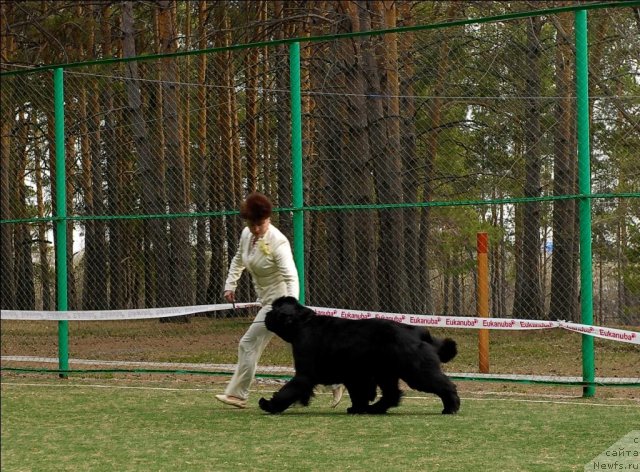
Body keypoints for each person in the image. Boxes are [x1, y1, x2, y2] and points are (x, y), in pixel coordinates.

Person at [215, 192, 344, 409]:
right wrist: (231, 283)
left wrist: (289, 307)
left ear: (269, 219)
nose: (256, 228)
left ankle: (238, 394)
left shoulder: (278, 242)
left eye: (261, 223)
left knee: (248, 343)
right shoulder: (246, 235)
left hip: (280, 304)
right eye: (252, 223)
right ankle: (336, 379)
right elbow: (238, 258)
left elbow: (291, 276)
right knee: (306, 345)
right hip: (266, 299)